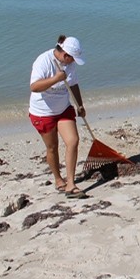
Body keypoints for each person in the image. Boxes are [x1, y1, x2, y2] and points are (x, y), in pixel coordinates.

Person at [29, 35, 89, 199]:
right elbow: (34, 87)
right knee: (52, 147)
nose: (74, 62)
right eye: (73, 59)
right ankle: (58, 179)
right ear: (65, 55)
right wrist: (55, 78)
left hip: (63, 109)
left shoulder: (69, 65)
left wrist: (80, 104)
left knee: (73, 140)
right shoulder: (43, 61)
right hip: (43, 112)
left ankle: (71, 184)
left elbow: (74, 83)